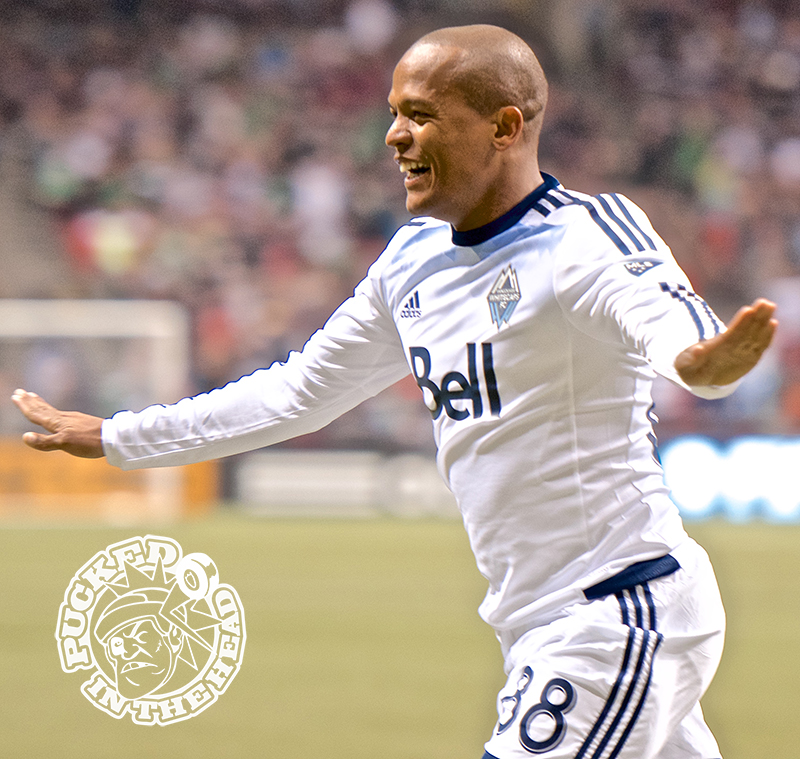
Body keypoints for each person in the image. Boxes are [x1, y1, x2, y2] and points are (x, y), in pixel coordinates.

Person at [12, 24, 776, 759]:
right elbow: (297, 391)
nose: (393, 136)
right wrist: (119, 436)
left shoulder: (584, 238)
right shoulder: (412, 261)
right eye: (392, 114)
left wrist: (702, 363)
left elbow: (675, 330)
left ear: (503, 126)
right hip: (538, 623)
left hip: (619, 610)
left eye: (420, 115)